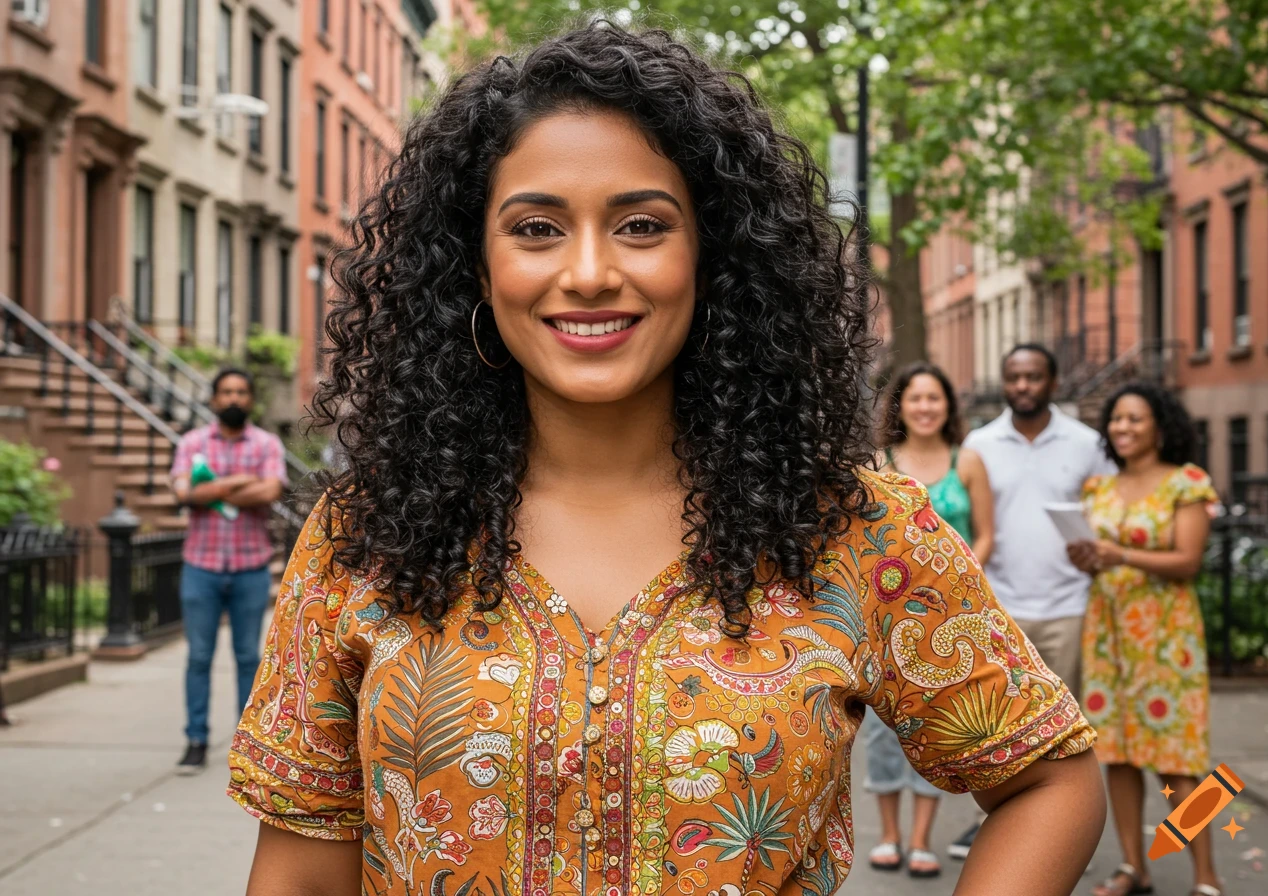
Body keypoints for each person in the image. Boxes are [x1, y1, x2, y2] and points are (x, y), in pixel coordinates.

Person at [226, 26, 1105, 896]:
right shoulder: (367, 539)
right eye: (536, 228)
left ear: (713, 256)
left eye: (641, 225)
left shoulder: (853, 530)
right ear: (475, 268)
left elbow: (1050, 782)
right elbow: (303, 869)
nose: (590, 272)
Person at [953, 344, 1114, 859]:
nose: (1023, 385)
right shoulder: (980, 443)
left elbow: (1107, 516)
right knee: (998, 731)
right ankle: (996, 829)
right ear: (1004, 382)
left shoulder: (1088, 443)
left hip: (1067, 604)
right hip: (1000, 608)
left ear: (1053, 380)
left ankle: (1061, 836)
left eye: (1034, 376)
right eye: (1015, 377)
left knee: (1061, 735)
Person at [1066, 383, 1220, 896]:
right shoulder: (1098, 489)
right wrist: (1088, 559)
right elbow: (1099, 558)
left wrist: (1119, 556)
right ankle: (1135, 866)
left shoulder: (1186, 483)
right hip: (1108, 633)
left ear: (1160, 426)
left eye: (1134, 419)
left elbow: (1188, 562)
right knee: (1118, 755)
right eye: (1116, 420)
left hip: (1166, 638)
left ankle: (1206, 876)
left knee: (1179, 758)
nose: (1122, 428)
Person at [862, 362, 994, 878]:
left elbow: (985, 533)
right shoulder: (879, 461)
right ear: (900, 406)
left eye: (934, 398)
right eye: (915, 398)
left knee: (938, 722)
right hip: (887, 618)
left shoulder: (970, 462)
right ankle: (890, 834)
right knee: (880, 732)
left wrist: (958, 578)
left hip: (955, 620)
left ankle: (920, 838)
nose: (924, 407)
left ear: (948, 406)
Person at [169, 368, 287, 774]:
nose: (233, 398)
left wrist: (212, 489)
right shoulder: (192, 443)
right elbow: (184, 493)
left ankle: (248, 744)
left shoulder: (267, 443)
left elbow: (271, 490)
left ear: (250, 399)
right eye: (226, 392)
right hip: (200, 566)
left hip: (250, 568)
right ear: (214, 399)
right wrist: (238, 482)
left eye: (240, 392)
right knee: (199, 657)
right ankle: (196, 740)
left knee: (247, 658)